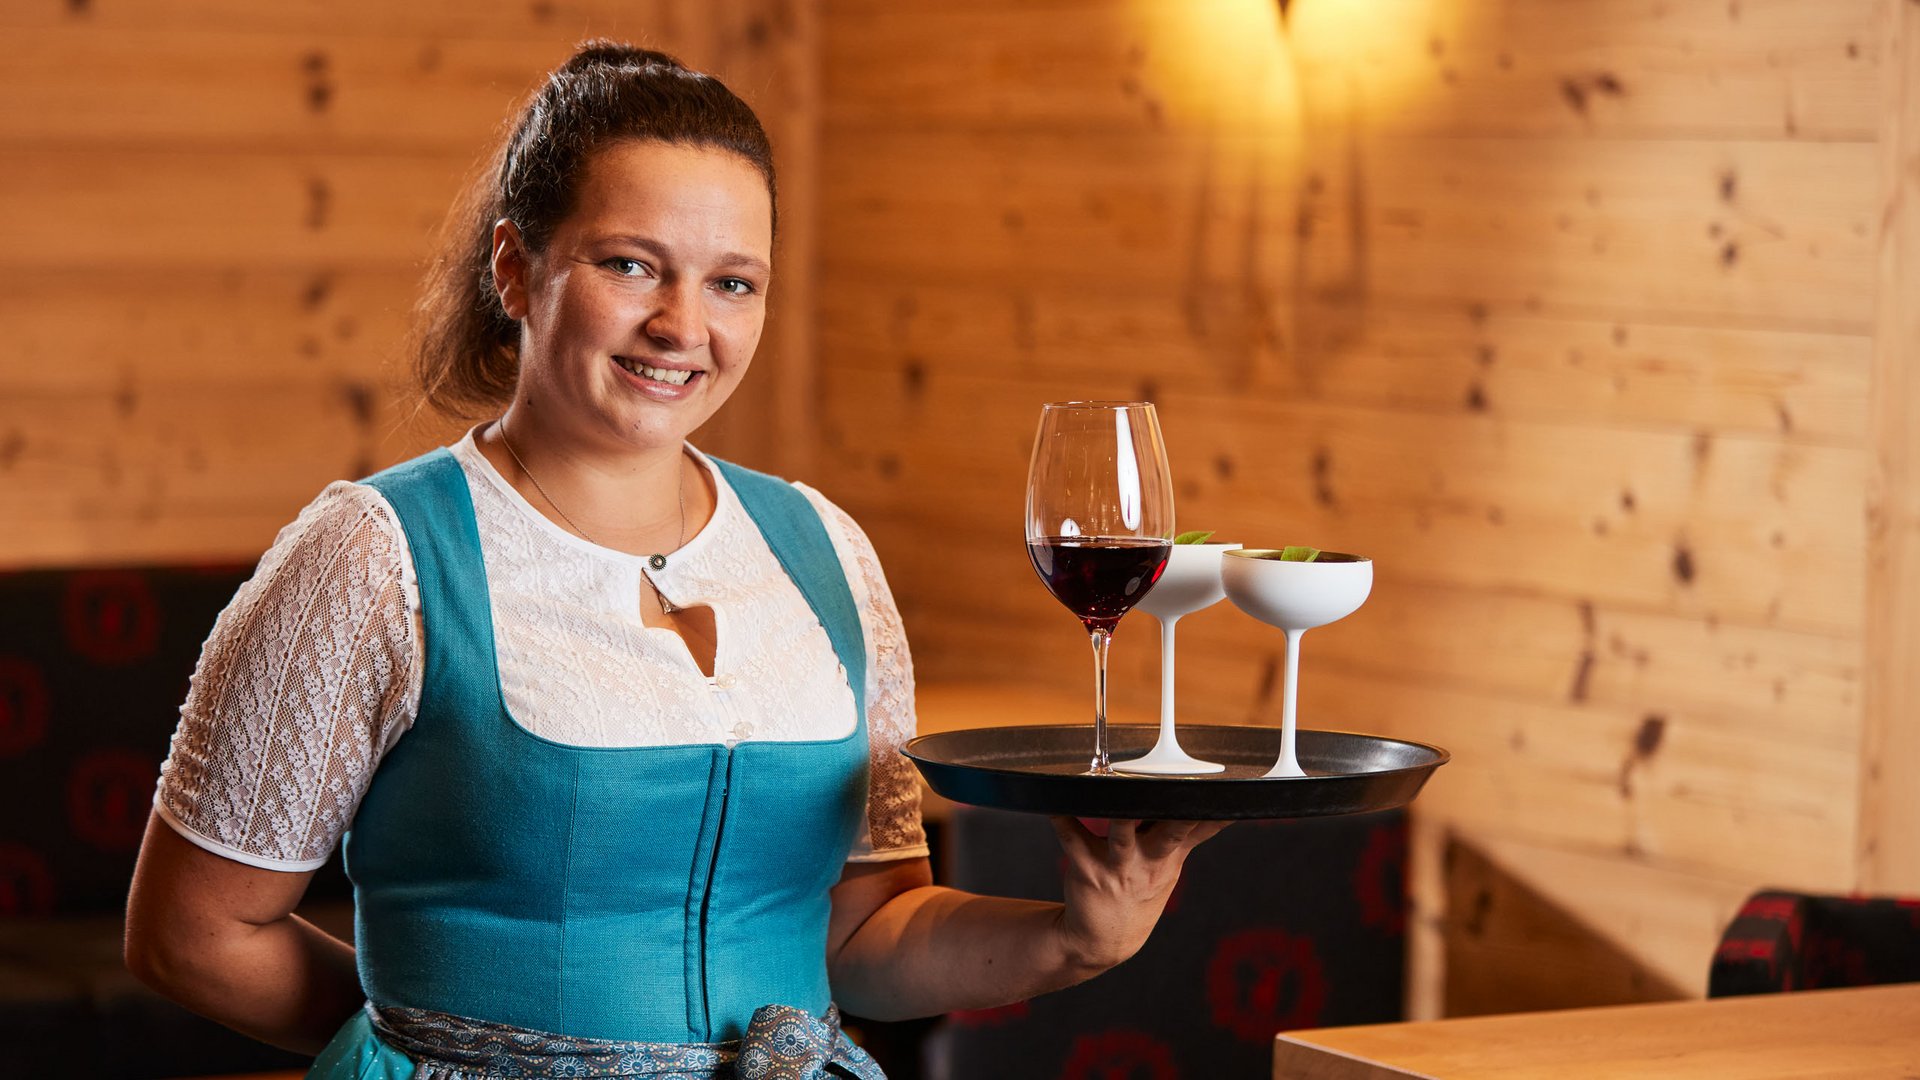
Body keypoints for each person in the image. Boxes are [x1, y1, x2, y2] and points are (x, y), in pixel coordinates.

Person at [123, 42, 1225, 1079]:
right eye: (632, 265)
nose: (681, 326)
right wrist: (440, 1048)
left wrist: (1079, 940)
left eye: (732, 282)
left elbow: (867, 931)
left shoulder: (825, 550)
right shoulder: (371, 559)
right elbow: (192, 933)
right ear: (516, 268)